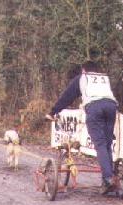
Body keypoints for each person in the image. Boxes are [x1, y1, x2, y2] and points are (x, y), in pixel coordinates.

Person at [46, 61, 118, 194]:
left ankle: (108, 179)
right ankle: (109, 177)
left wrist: (53, 111)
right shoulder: (104, 78)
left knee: (100, 144)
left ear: (84, 70)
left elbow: (67, 97)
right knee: (107, 143)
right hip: (111, 106)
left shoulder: (82, 78)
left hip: (94, 107)